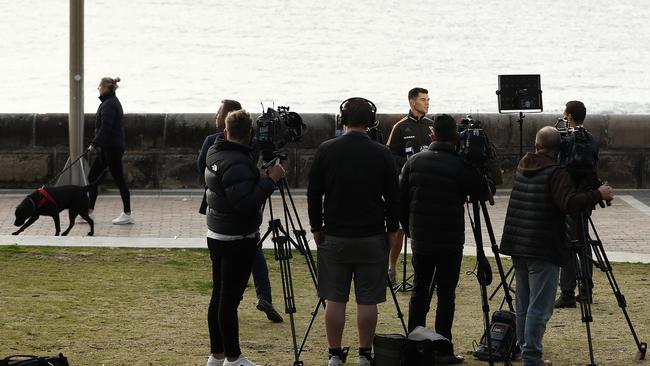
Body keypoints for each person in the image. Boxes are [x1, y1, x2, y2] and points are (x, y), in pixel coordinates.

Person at [500, 126, 613, 366]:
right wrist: (598, 194)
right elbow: (570, 203)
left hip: (518, 244)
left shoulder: (524, 164)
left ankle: (525, 351)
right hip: (543, 248)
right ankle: (532, 357)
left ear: (536, 145)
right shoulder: (556, 173)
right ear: (559, 150)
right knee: (539, 309)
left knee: (524, 305)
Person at [307, 97, 399, 366]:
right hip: (372, 235)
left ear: (342, 120)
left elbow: (314, 194)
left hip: (335, 234)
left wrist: (316, 227)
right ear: (371, 122)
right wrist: (391, 231)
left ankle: (334, 354)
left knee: (334, 298)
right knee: (367, 299)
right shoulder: (382, 153)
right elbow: (394, 198)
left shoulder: (326, 150)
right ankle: (364, 354)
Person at [400, 113, 487, 365]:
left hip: (421, 239)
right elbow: (484, 191)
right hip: (450, 241)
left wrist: (409, 230)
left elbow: (401, 200)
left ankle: (414, 344)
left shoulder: (414, 161)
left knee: (419, 290)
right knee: (446, 294)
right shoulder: (460, 165)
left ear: (433, 135)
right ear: (456, 138)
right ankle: (442, 347)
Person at [204, 109, 286, 366]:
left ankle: (217, 356)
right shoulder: (237, 162)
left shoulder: (216, 151)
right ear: (249, 132)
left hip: (217, 232)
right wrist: (270, 180)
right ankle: (233, 358)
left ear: (226, 131)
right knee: (229, 299)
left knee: (219, 295)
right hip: (237, 237)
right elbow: (245, 202)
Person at [385, 87, 433, 284]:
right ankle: (391, 269)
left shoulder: (432, 126)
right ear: (413, 103)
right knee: (399, 230)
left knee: (425, 231)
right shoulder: (400, 127)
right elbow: (390, 155)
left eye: (428, 99)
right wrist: (407, 164)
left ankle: (425, 273)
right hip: (405, 187)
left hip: (427, 187)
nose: (427, 103)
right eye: (423, 100)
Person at [554, 100, 598, 309]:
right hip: (587, 195)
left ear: (569, 115)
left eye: (565, 112)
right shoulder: (591, 139)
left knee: (569, 244)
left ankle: (567, 292)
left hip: (569, 196)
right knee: (584, 244)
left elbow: (558, 165)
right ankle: (587, 290)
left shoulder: (566, 139)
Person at [87, 76, 133, 225]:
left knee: (118, 180)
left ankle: (127, 214)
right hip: (108, 148)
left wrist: (94, 144)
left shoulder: (109, 104)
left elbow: (105, 128)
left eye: (100, 86)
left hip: (112, 148)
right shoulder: (109, 102)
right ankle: (89, 212)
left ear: (106, 88)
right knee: (93, 177)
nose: (98, 88)